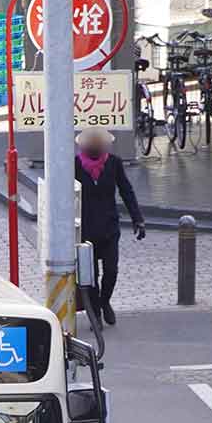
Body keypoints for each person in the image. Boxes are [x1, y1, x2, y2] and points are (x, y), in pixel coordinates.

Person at [74, 128, 145, 326]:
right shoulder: (75, 165)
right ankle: (95, 312)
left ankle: (105, 302)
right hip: (85, 229)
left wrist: (137, 218)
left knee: (111, 270)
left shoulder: (114, 163)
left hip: (109, 227)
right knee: (91, 276)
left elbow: (126, 190)